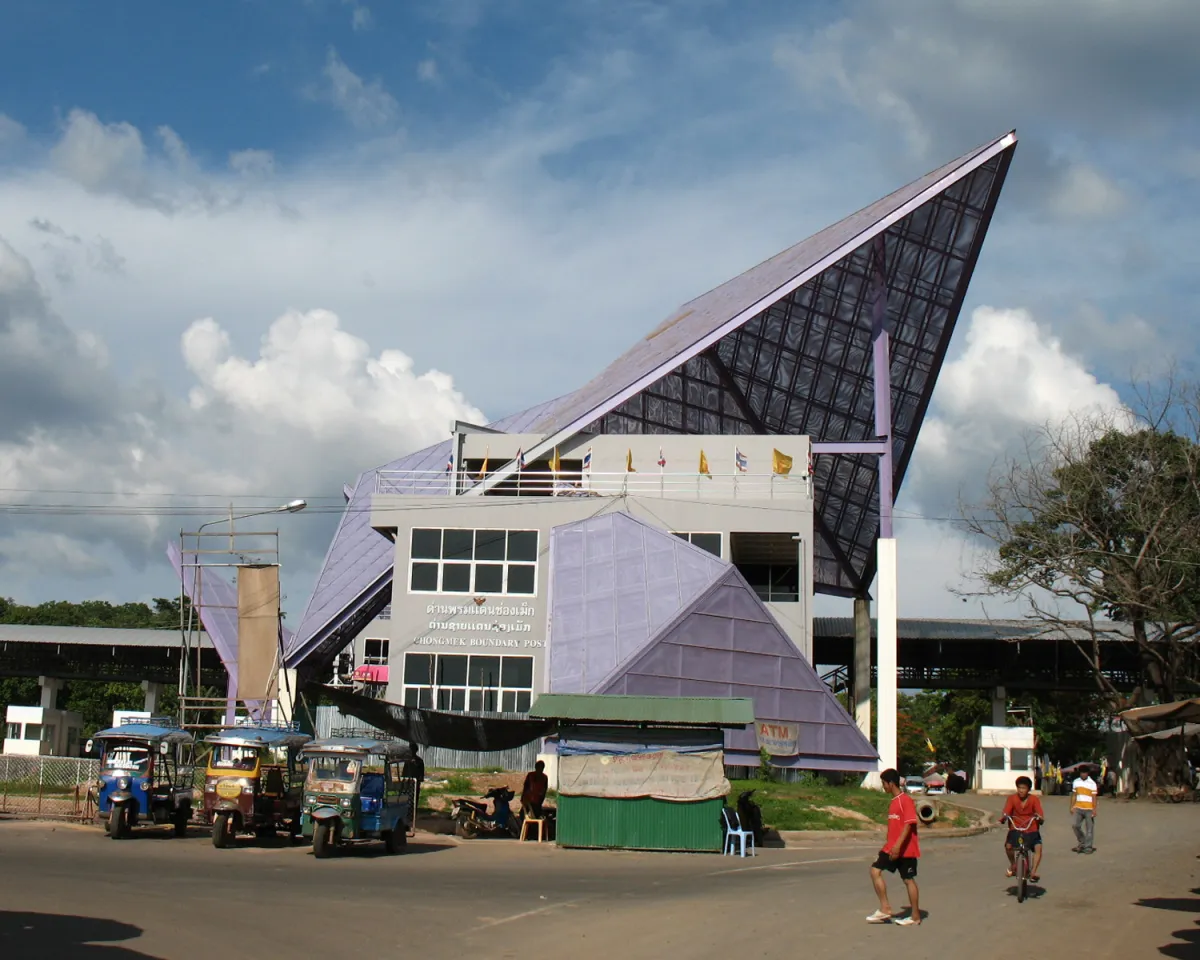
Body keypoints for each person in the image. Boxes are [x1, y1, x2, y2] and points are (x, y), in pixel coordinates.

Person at [866, 768, 921, 926]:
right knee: (875, 870)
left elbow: (909, 825)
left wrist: (897, 847)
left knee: (908, 880)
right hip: (891, 848)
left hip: (905, 849)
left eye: (884, 783)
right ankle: (885, 908)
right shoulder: (894, 802)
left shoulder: (905, 800)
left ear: (891, 783)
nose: (883, 786)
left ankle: (915, 916)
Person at [1000, 776, 1044, 881]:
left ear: (1028, 789)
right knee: (1008, 846)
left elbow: (1040, 813)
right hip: (1016, 828)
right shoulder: (1012, 799)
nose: (1021, 790)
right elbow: (1006, 811)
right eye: (1019, 788)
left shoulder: (1034, 799)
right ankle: (1014, 865)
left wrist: (1040, 818)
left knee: (1038, 847)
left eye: (1024, 788)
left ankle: (1033, 872)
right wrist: (1003, 817)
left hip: (1031, 829)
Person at [1070, 765, 1098, 854]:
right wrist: (1072, 806)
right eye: (1082, 773)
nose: (1083, 775)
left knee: (1089, 829)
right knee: (1075, 825)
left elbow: (1094, 797)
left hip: (1089, 808)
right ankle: (1082, 842)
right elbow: (1074, 795)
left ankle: (1088, 847)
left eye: (1085, 773)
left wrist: (1094, 809)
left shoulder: (1092, 783)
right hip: (1078, 807)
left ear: (1087, 773)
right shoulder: (1076, 782)